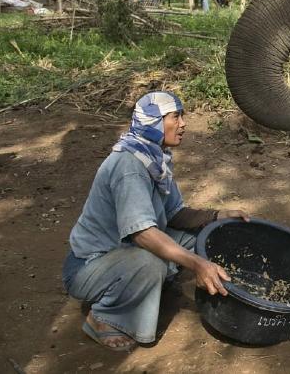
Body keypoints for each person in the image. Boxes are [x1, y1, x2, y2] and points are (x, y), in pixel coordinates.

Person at [62, 91, 249, 351]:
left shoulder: (154, 158)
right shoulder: (128, 166)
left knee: (207, 233)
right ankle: (104, 316)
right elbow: (143, 235)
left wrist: (218, 216)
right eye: (175, 116)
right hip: (90, 266)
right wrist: (197, 264)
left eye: (182, 116)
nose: (183, 123)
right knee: (151, 262)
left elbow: (175, 215)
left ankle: (144, 283)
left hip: (123, 253)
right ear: (152, 122)